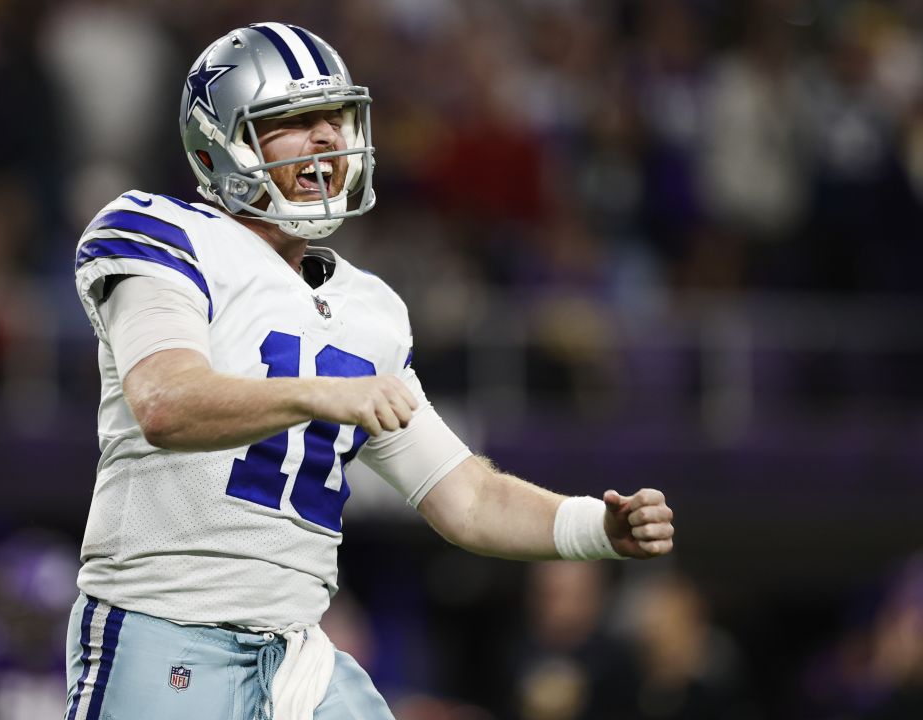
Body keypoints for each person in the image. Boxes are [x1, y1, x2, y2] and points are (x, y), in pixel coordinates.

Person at [66, 22, 675, 720]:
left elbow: (466, 497)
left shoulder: (368, 307)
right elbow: (166, 403)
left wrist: (595, 525)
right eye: (295, 121)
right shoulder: (159, 231)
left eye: (337, 118)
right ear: (223, 140)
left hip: (299, 653)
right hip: (163, 628)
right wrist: (320, 394)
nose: (328, 139)